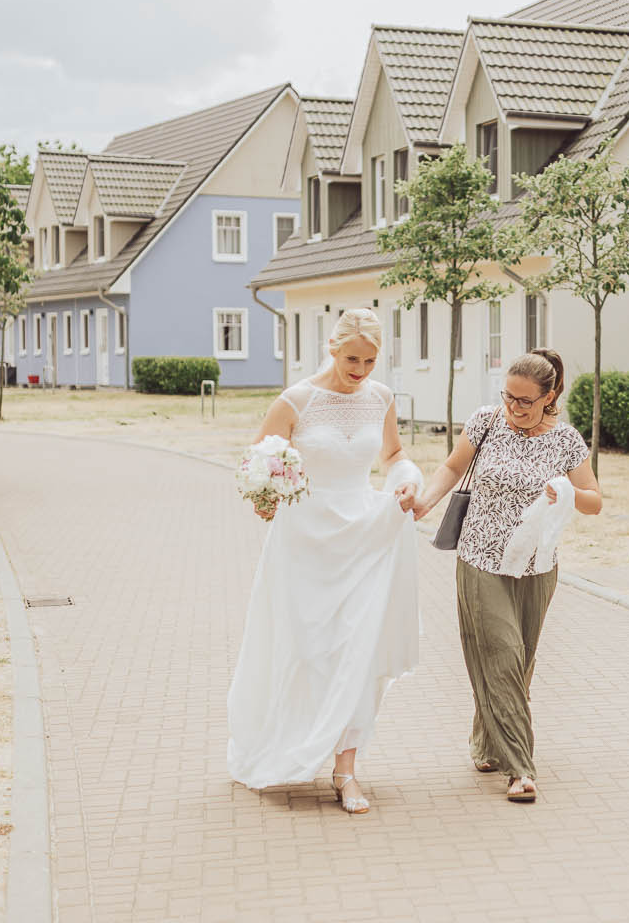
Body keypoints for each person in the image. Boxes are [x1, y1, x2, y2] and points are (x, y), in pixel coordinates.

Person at [225, 309, 422, 813]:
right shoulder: (296, 400)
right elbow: (257, 465)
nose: (360, 369)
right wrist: (265, 496)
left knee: (355, 647)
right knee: (309, 649)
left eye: (371, 360)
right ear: (332, 348)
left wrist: (407, 478)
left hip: (363, 536)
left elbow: (393, 454)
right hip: (304, 544)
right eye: (352, 358)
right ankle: (283, 740)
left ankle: (346, 770)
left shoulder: (381, 398)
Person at [414, 350, 601, 803]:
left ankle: (486, 741)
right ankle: (520, 768)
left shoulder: (567, 441)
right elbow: (453, 467)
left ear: (549, 396)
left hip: (537, 563)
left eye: (524, 401)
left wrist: (566, 490)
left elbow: (594, 500)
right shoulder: (485, 421)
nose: (514, 408)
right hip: (481, 557)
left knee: (520, 661)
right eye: (508, 397)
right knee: (501, 651)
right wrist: (423, 501)